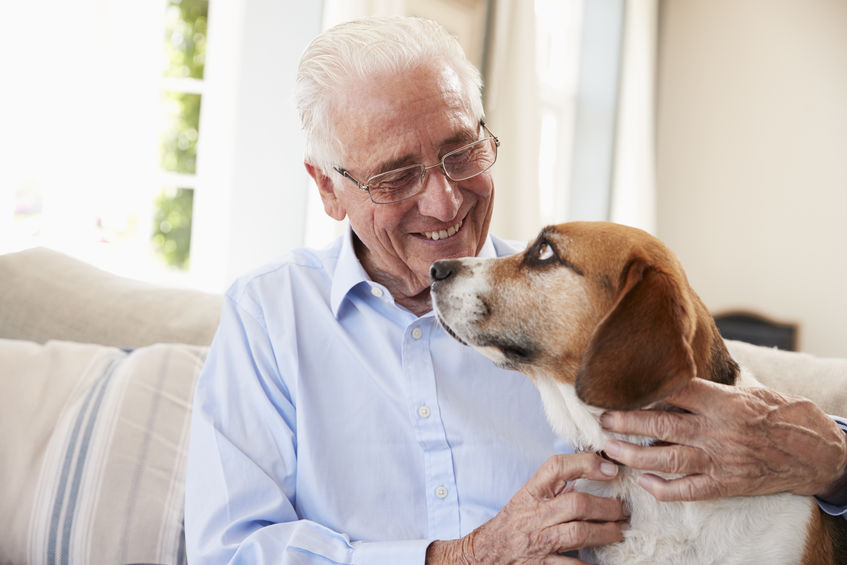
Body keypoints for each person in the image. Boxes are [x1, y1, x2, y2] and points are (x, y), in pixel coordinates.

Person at [184, 16, 847, 564]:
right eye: (395, 176)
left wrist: (834, 458)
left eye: (460, 151)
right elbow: (229, 550)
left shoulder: (570, 307)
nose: (445, 202)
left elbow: (728, 405)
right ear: (328, 188)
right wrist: (462, 555)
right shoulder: (267, 317)